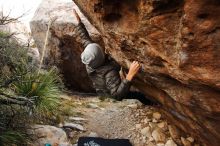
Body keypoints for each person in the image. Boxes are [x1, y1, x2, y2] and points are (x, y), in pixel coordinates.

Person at [73, 9, 152, 104]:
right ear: (101, 57)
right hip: (109, 97)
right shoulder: (109, 73)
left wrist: (79, 23)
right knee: (140, 96)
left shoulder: (89, 60)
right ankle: (152, 105)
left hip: (101, 92)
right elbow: (116, 95)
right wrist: (129, 76)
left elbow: (84, 39)